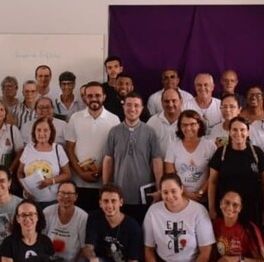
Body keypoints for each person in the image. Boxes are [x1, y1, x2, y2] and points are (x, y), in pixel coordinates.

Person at [102, 93, 163, 223]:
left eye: (136, 105)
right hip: (119, 194)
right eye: (129, 105)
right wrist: (105, 188)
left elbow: (157, 161)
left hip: (143, 195)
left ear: (142, 108)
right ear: (123, 107)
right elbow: (108, 160)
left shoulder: (150, 132)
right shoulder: (114, 132)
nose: (132, 109)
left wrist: (159, 189)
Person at [65, 82, 120, 212]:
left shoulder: (114, 120)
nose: (94, 99)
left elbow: (115, 151)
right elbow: (69, 148)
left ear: (104, 97)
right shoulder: (75, 118)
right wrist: (80, 173)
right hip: (79, 182)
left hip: (103, 182)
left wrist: (100, 171)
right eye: (90, 96)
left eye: (97, 95)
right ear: (84, 98)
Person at [207, 116, 264, 227]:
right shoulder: (221, 153)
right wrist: (211, 208)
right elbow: (212, 182)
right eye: (235, 130)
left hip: (252, 210)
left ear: (248, 132)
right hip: (227, 209)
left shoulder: (257, 153)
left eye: (242, 130)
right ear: (230, 132)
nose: (238, 133)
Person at [18, 116, 71, 209]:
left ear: (51, 132)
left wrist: (51, 181)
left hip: (51, 201)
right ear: (34, 132)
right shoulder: (28, 148)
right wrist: (25, 188)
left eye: (45, 130)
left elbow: (67, 174)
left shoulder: (58, 149)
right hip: (30, 201)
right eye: (38, 130)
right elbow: (19, 172)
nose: (42, 133)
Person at [164, 110, 216, 203]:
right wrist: (186, 193)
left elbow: (213, 175)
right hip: (179, 196)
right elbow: (170, 175)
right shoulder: (173, 146)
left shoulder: (210, 146)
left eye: (192, 124)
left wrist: (201, 192)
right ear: (180, 127)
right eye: (184, 125)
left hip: (204, 197)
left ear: (199, 125)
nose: (188, 128)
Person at [43, 181, 88, 262]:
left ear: (76, 197)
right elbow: (40, 242)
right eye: (62, 193)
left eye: (70, 194)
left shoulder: (83, 217)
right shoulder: (47, 212)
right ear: (57, 195)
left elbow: (83, 250)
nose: (66, 197)